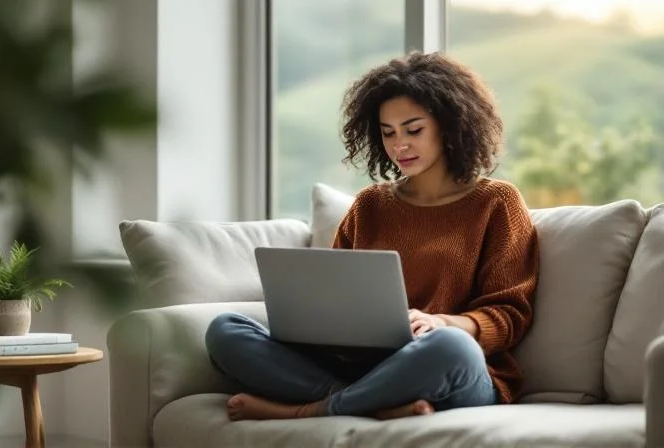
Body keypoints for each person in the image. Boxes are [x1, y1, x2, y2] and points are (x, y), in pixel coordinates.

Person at [205, 50, 539, 421]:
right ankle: (376, 403)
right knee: (225, 330)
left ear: (449, 125)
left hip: (448, 369)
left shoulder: (497, 202)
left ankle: (312, 409)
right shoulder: (370, 205)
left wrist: (442, 322)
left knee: (451, 346)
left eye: (414, 130)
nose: (400, 146)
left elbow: (510, 315)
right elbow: (332, 295)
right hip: (364, 367)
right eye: (388, 133)